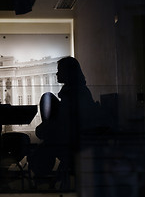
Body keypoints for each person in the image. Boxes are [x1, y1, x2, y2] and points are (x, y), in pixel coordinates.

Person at [29, 57, 99, 189]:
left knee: (41, 150)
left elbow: (67, 124)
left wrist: (46, 129)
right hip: (73, 140)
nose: (56, 74)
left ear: (68, 72)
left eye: (59, 70)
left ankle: (45, 180)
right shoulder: (77, 92)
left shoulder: (73, 94)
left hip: (72, 143)